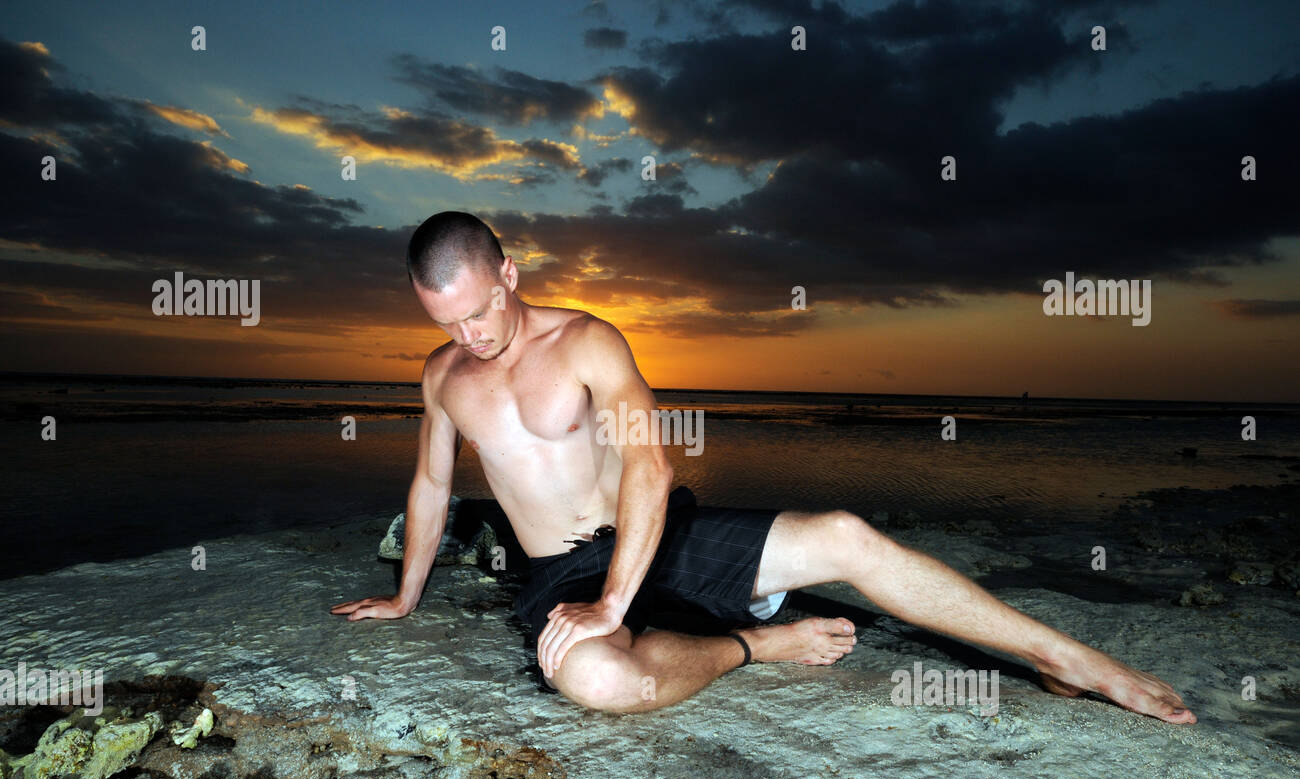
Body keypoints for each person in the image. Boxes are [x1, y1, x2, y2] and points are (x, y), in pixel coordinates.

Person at [331, 211, 1196, 724]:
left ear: (509, 273)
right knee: (599, 680)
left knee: (849, 536)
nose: (471, 336)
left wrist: (615, 603)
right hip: (558, 567)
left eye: (482, 313)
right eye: (450, 323)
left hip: (650, 540)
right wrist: (407, 596)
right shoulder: (442, 376)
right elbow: (433, 484)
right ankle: (756, 639)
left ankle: (1069, 658)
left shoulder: (588, 339)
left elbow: (649, 463)